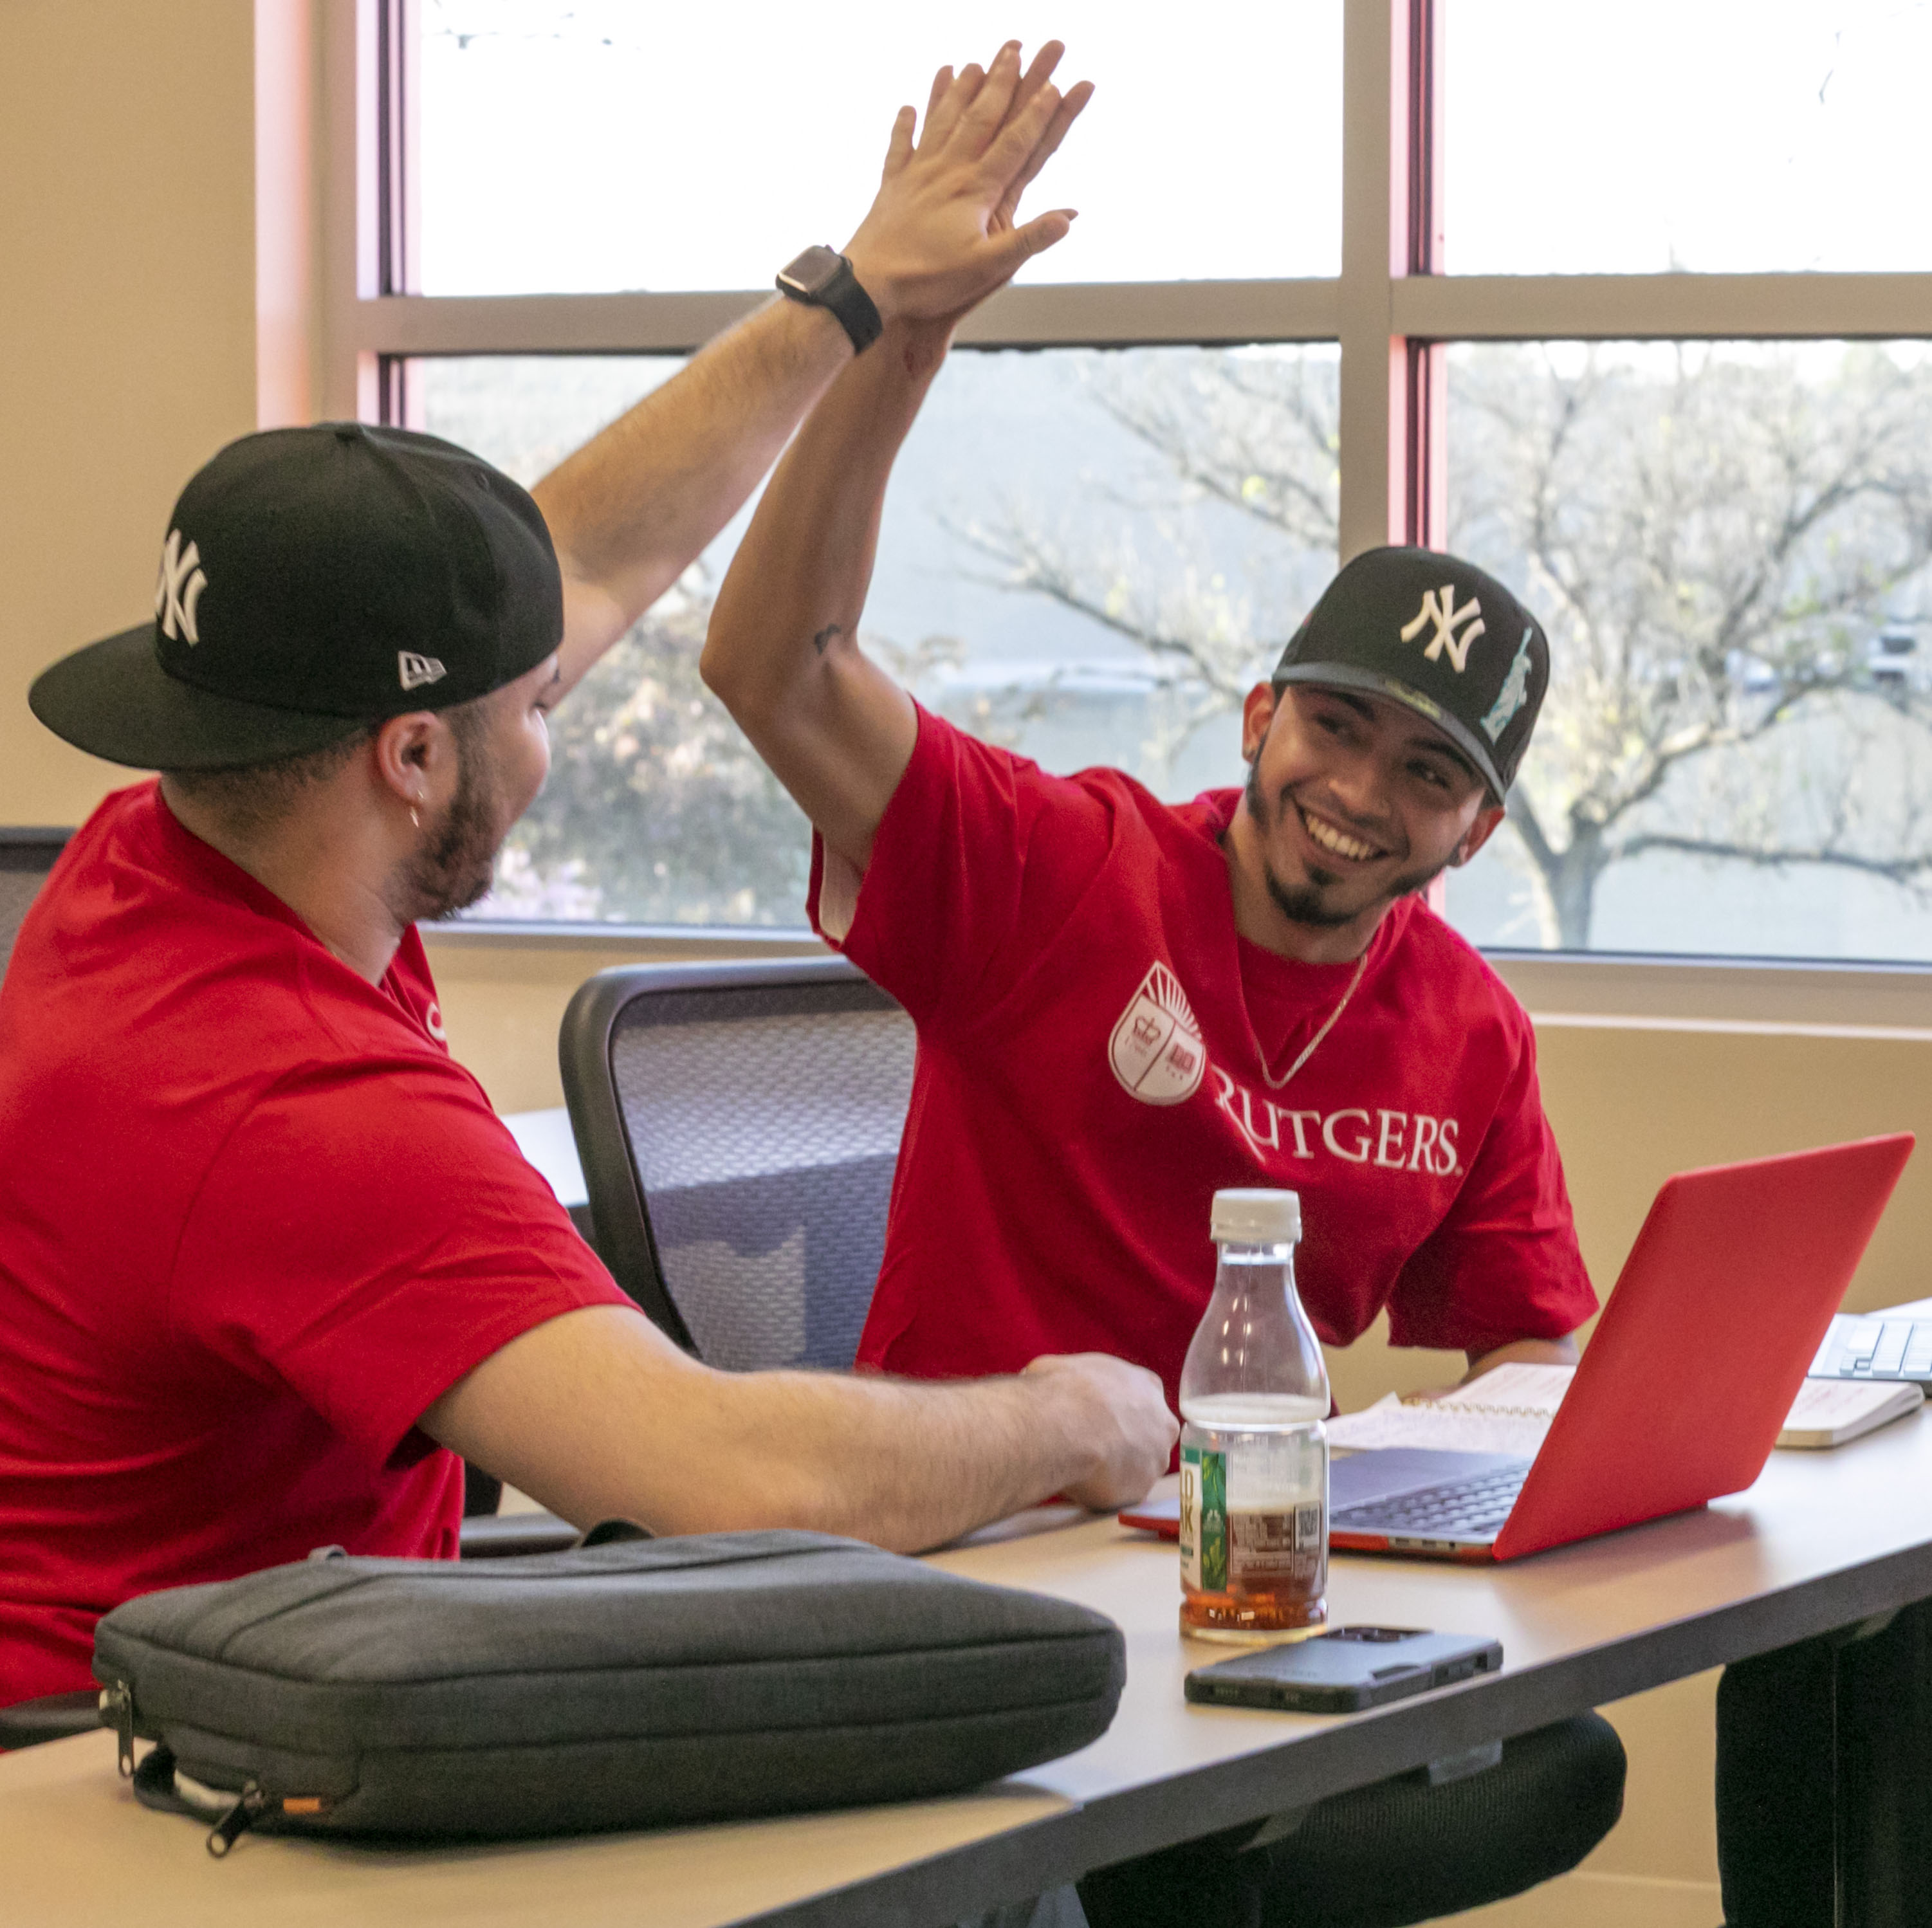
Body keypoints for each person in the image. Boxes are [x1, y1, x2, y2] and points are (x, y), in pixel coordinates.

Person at [0, 42, 1177, 1710]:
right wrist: (1071, 1414)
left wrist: (850, 296)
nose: (554, 721)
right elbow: (711, 1468)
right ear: (409, 760)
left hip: (280, 1681)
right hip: (143, 1777)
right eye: (534, 708)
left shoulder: (185, 838)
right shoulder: (286, 1103)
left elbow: (583, 557)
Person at [699, 335, 1597, 1423]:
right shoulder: (1065, 866)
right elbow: (771, 669)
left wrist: (1410, 1470)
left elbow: (1528, 1346)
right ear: (1261, 719)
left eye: (1427, 771)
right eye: (1337, 725)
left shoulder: (1473, 1035)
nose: (1361, 793)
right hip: (978, 1530)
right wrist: (893, 339)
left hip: (1259, 1548)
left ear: (1478, 830)